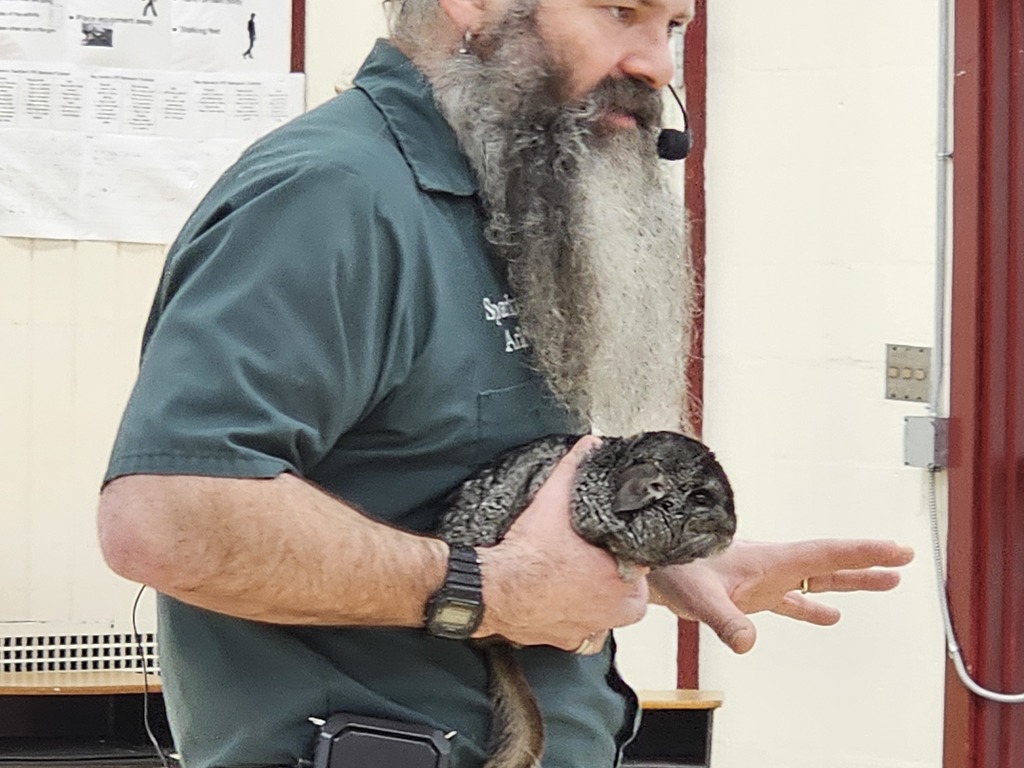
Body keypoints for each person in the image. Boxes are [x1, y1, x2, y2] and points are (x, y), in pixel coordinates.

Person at [96, 0, 914, 766]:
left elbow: (444, 479)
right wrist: (491, 591)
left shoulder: (520, 192)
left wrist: (659, 560)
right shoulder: (334, 194)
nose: (659, 65)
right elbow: (165, 519)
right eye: (619, 11)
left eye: (673, 25)